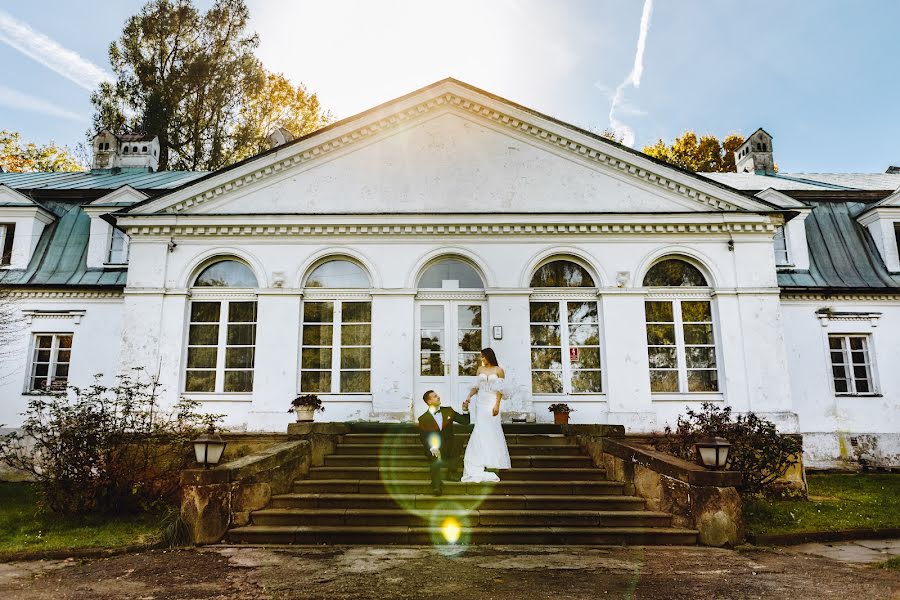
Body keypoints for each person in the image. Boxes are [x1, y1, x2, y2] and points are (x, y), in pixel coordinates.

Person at [461, 347, 511, 483]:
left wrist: (497, 405)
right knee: (480, 429)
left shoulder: (499, 370)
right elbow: (476, 387)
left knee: (492, 429)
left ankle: (492, 459)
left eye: (483, 357)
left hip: (492, 402)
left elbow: (500, 390)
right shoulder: (480, 370)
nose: (481, 359)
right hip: (481, 402)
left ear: (489, 356)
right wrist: (468, 397)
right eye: (481, 357)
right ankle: (479, 456)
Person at [417, 389, 470, 496]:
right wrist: (432, 447)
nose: (438, 397)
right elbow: (423, 437)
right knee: (434, 457)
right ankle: (436, 486)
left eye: (437, 395)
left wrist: (465, 410)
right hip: (435, 447)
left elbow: (465, 422)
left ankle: (451, 473)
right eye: (435, 396)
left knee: (459, 440)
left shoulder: (448, 411)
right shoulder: (423, 418)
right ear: (429, 401)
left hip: (449, 446)